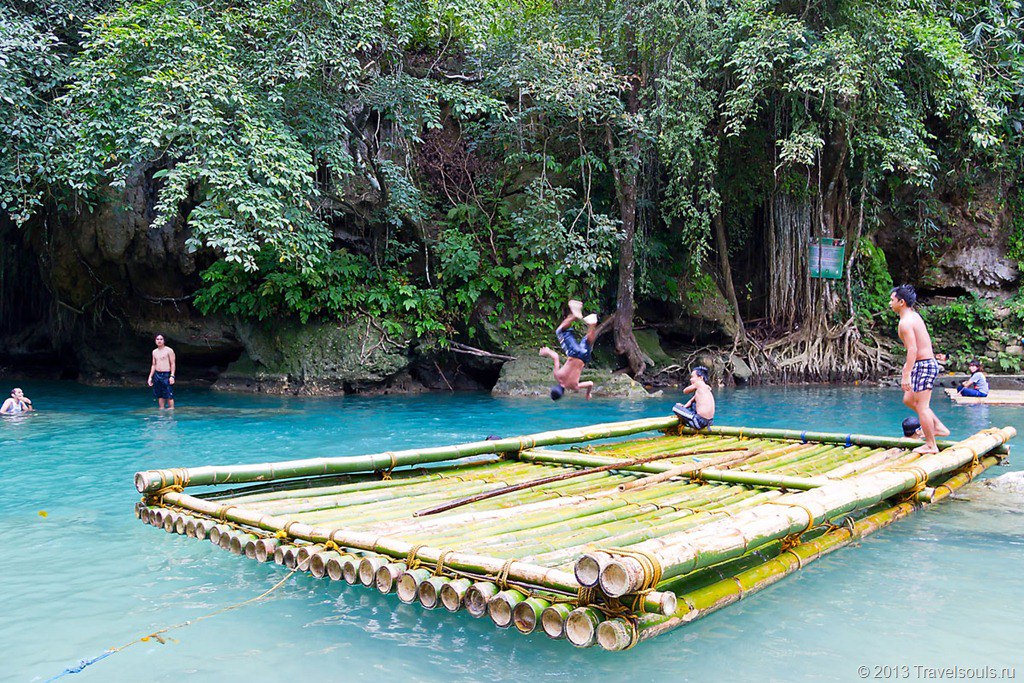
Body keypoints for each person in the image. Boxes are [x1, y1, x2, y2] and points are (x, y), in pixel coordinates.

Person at [890, 284, 949, 454]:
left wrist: (906, 374)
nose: (890, 303)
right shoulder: (913, 316)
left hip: (923, 365)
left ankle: (931, 445)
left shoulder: (905, 322)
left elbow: (913, 349)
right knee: (908, 399)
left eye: (892, 300)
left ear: (901, 302)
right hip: (921, 364)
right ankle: (937, 426)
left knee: (922, 406)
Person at [539, 300, 598, 400]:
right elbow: (555, 356)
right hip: (573, 353)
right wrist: (547, 351)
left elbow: (590, 383)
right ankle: (574, 315)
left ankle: (592, 324)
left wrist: (587, 394)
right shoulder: (557, 375)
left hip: (584, 357)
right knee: (560, 331)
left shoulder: (574, 387)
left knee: (587, 342)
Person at [147, 333, 176, 409]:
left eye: (161, 339)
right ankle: (161, 411)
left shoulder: (169, 350)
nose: (159, 341)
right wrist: (150, 377)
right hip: (157, 374)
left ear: (164, 341)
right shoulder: (154, 351)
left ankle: (171, 410)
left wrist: (172, 376)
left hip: (166, 374)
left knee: (169, 395)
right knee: (159, 395)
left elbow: (172, 363)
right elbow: (153, 365)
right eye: (157, 339)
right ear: (155, 341)